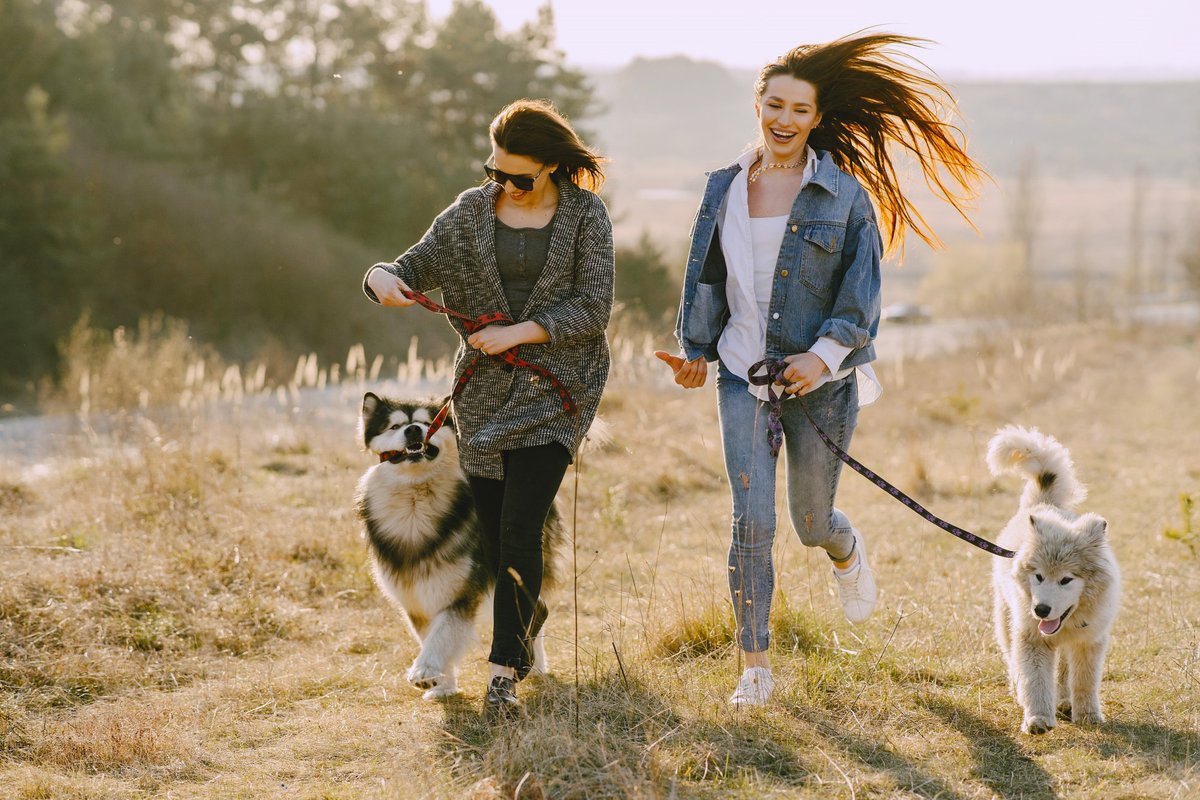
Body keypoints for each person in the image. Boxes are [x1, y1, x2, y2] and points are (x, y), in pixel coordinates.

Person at [656, 33, 986, 707]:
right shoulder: (722, 188)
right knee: (751, 522)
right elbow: (708, 279)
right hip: (741, 377)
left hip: (821, 386)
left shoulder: (843, 195)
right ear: (759, 104)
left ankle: (842, 545)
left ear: (816, 119)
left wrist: (822, 355)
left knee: (808, 520)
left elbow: (861, 298)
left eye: (798, 110)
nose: (783, 119)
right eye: (774, 104)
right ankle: (755, 669)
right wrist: (694, 354)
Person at [364, 99, 614, 717]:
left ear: (553, 167)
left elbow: (594, 306)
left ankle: (504, 672)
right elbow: (410, 265)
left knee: (521, 526)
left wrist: (520, 332)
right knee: (497, 544)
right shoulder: (470, 211)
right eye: (495, 170)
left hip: (559, 390)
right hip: (482, 396)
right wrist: (380, 277)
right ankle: (528, 617)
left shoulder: (587, 217)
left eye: (519, 176)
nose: (504, 184)